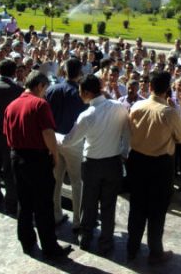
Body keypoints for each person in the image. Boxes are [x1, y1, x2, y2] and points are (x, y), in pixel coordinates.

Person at [56, 74, 130, 255]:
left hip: (92, 165)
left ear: (87, 92)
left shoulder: (87, 115)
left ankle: (86, 238)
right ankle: (106, 241)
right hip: (113, 163)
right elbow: (127, 133)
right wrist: (123, 152)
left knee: (88, 204)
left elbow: (68, 141)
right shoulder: (119, 107)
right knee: (108, 205)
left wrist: (54, 136)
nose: (79, 94)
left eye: (80, 91)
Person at [3, 70, 72, 258]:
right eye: (45, 89)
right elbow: (48, 134)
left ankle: (26, 241)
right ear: (40, 85)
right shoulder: (40, 104)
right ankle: (50, 248)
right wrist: (55, 155)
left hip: (17, 157)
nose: (45, 93)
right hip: (37, 159)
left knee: (24, 203)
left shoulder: (12, 105)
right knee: (43, 205)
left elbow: (7, 134)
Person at [126, 71, 181, 264]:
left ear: (150, 87)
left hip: (137, 161)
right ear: (167, 89)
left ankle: (132, 248)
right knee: (157, 210)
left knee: (137, 207)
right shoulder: (168, 112)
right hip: (160, 165)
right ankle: (155, 252)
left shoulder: (137, 106)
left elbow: (130, 130)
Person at [45, 57, 87, 231]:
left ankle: (56, 214)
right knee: (76, 182)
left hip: (55, 139)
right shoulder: (79, 93)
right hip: (73, 141)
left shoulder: (52, 89)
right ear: (80, 73)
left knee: (57, 179)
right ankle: (77, 221)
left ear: (64, 71)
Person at [0, 59, 23, 214]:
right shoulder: (18, 90)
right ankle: (11, 203)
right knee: (9, 171)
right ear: (14, 72)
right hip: (9, 136)